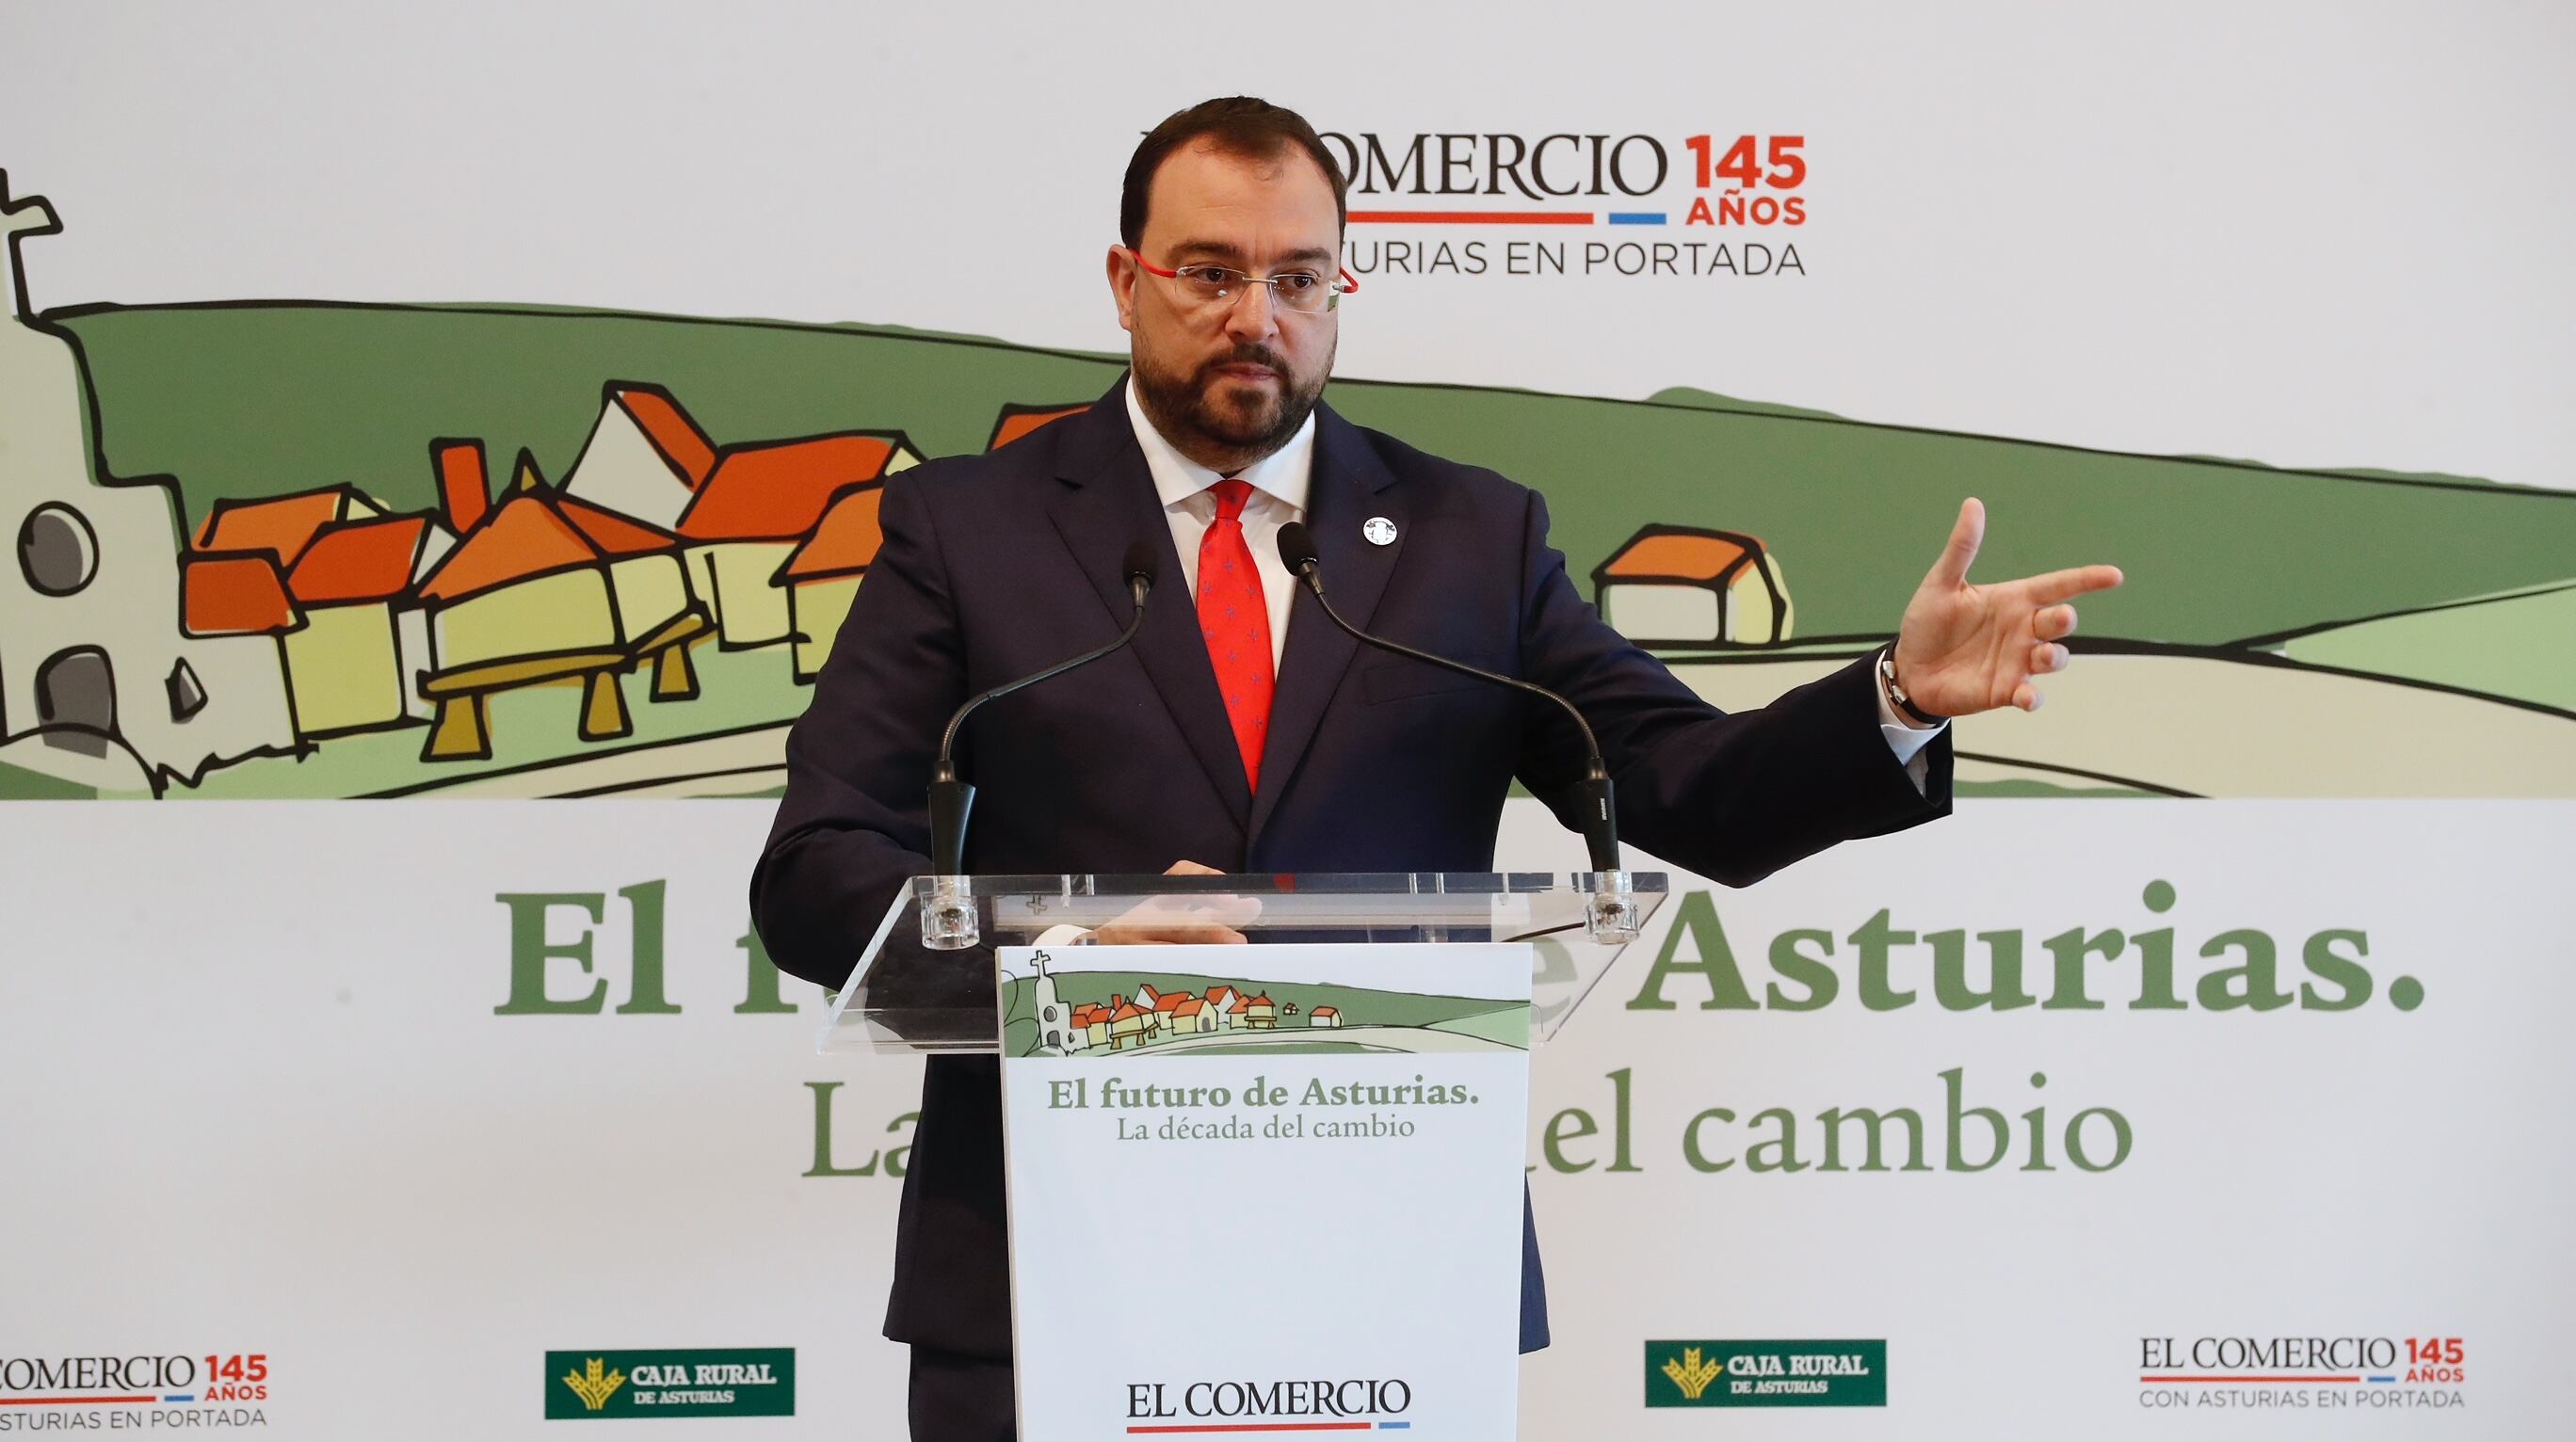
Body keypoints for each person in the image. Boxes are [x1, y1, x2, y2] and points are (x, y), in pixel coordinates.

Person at [753, 95, 2120, 1442]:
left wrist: (1895, 697)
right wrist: (1065, 947)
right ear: (1127, 282)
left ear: (1340, 286)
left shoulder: (1472, 537)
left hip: (1387, 1259)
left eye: (1298, 277)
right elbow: (818, 870)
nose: (1256, 316)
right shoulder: (967, 527)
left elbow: (1680, 782)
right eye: (1211, 274)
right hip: (1044, 1269)